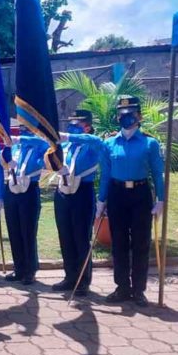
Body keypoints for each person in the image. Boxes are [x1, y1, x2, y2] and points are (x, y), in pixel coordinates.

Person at [98, 95, 165, 307]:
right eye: (122, 113)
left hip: (140, 195)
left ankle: (138, 290)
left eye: (131, 113)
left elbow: (158, 174)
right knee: (118, 243)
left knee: (140, 243)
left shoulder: (149, 143)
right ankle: (122, 287)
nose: (126, 117)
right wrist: (101, 201)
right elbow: (106, 174)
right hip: (117, 195)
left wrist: (161, 200)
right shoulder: (109, 143)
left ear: (139, 116)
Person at [51, 109, 105, 296]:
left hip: (82, 192)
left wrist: (70, 136)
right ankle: (69, 276)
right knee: (65, 235)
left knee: (81, 238)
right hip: (63, 192)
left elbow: (97, 142)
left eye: (77, 125)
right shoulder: (67, 146)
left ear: (87, 127)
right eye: (70, 124)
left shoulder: (91, 144)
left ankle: (83, 280)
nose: (72, 127)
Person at [0, 123, 48, 285]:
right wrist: (5, 158)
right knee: (14, 230)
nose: (23, 130)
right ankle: (19, 269)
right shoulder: (16, 147)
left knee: (28, 231)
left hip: (29, 190)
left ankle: (30, 270)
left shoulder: (39, 144)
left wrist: (22, 139)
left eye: (27, 128)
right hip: (12, 188)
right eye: (22, 128)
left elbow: (45, 147)